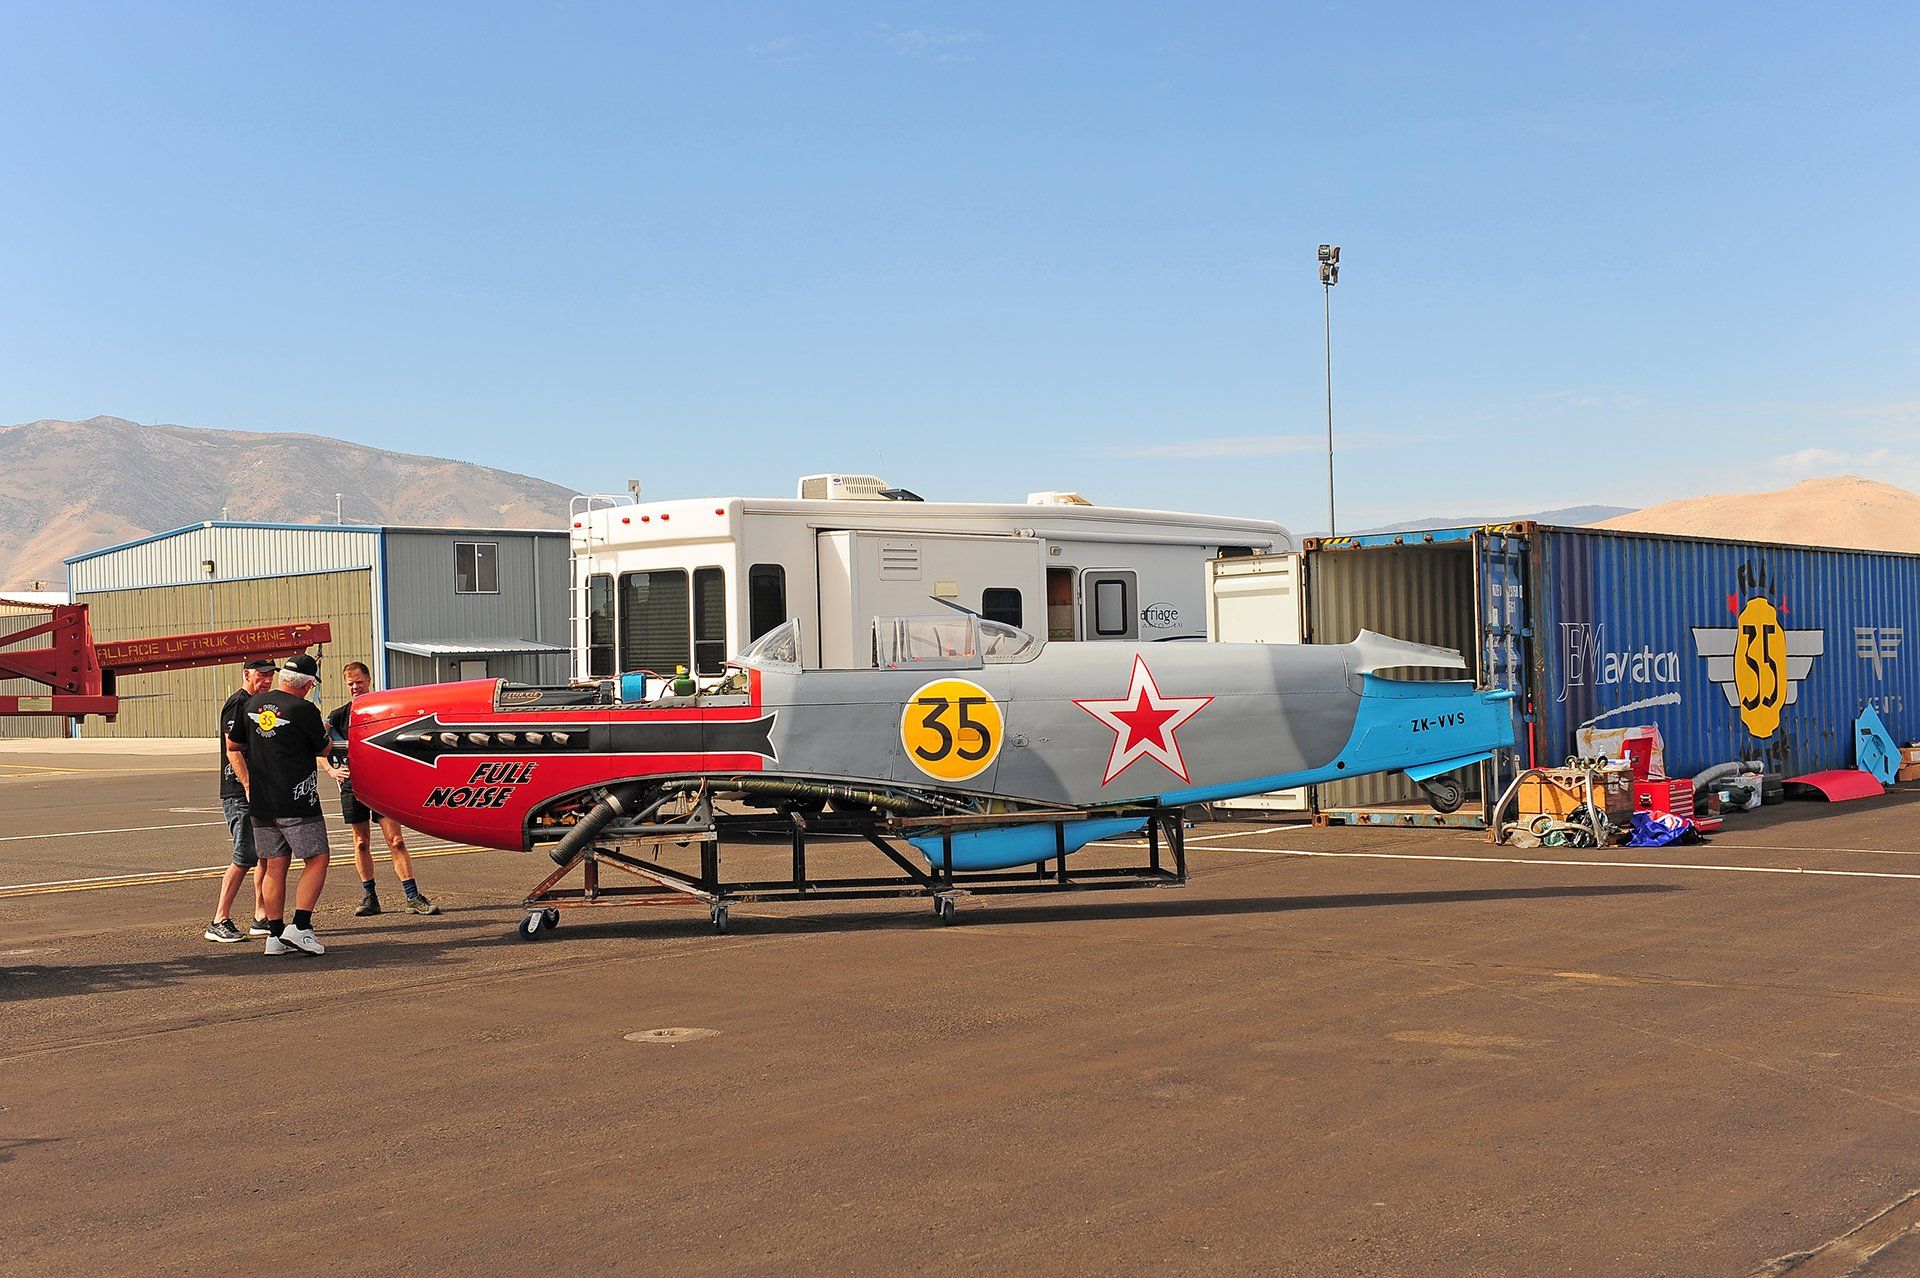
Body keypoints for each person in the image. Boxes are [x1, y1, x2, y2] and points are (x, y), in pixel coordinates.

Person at [225, 653, 346, 956]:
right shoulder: (304, 709)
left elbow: (233, 745)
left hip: (262, 800)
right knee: (317, 857)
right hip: (296, 798)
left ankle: (275, 936)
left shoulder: (251, 704)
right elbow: (325, 746)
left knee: (275, 865)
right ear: (307, 686)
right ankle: (301, 926)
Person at [327, 660, 438, 917]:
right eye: (350, 684)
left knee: (396, 840)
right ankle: (370, 896)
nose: (355, 687)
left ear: (369, 681)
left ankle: (412, 896)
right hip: (352, 784)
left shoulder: (384, 709)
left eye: (359, 682)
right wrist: (332, 770)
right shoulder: (338, 716)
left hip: (382, 783)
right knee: (361, 842)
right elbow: (318, 745)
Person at [204, 659, 276, 943]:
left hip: (259, 791)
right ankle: (219, 920)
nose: (267, 680)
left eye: (271, 676)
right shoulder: (238, 704)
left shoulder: (260, 704)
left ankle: (261, 916)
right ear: (247, 674)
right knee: (243, 857)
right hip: (239, 792)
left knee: (265, 856)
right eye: (262, 675)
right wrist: (247, 786)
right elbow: (233, 750)